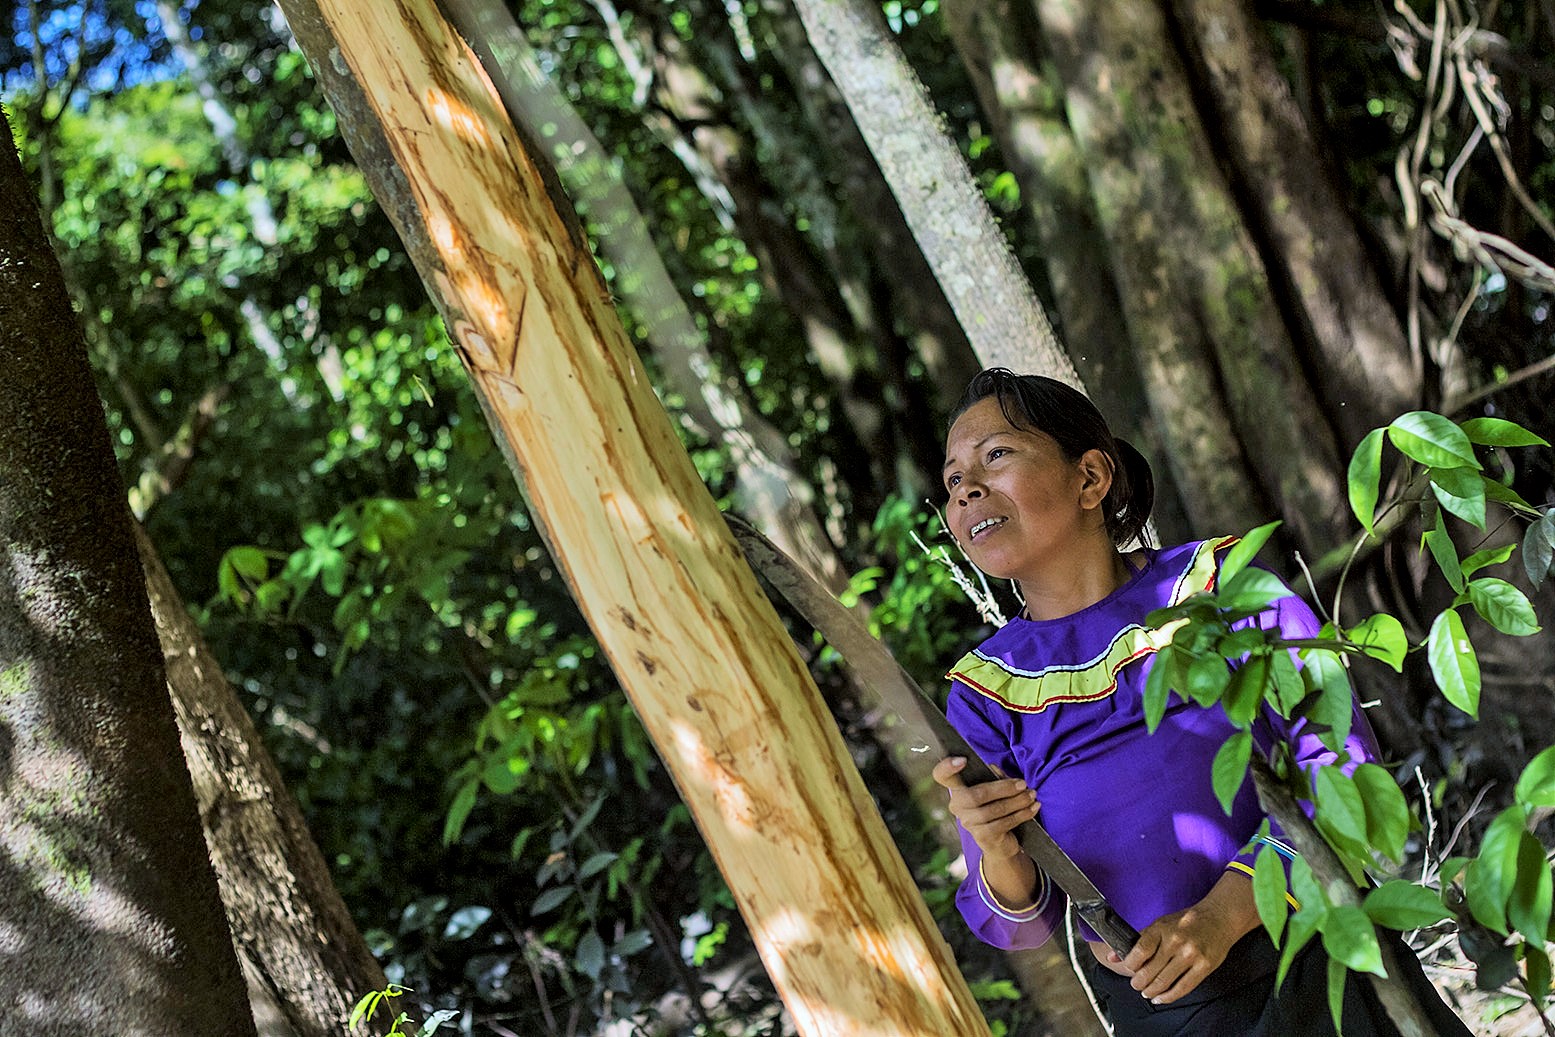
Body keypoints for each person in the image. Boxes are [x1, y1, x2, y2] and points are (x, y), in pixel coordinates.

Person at [931, 368, 1471, 1036]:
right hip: (1170, 1015)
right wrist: (996, 846)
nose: (967, 488)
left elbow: (1340, 771)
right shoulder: (984, 689)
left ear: (1090, 479)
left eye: (995, 455)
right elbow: (1020, 921)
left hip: (1323, 953)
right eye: (953, 479)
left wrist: (1224, 913)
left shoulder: (1226, 590)